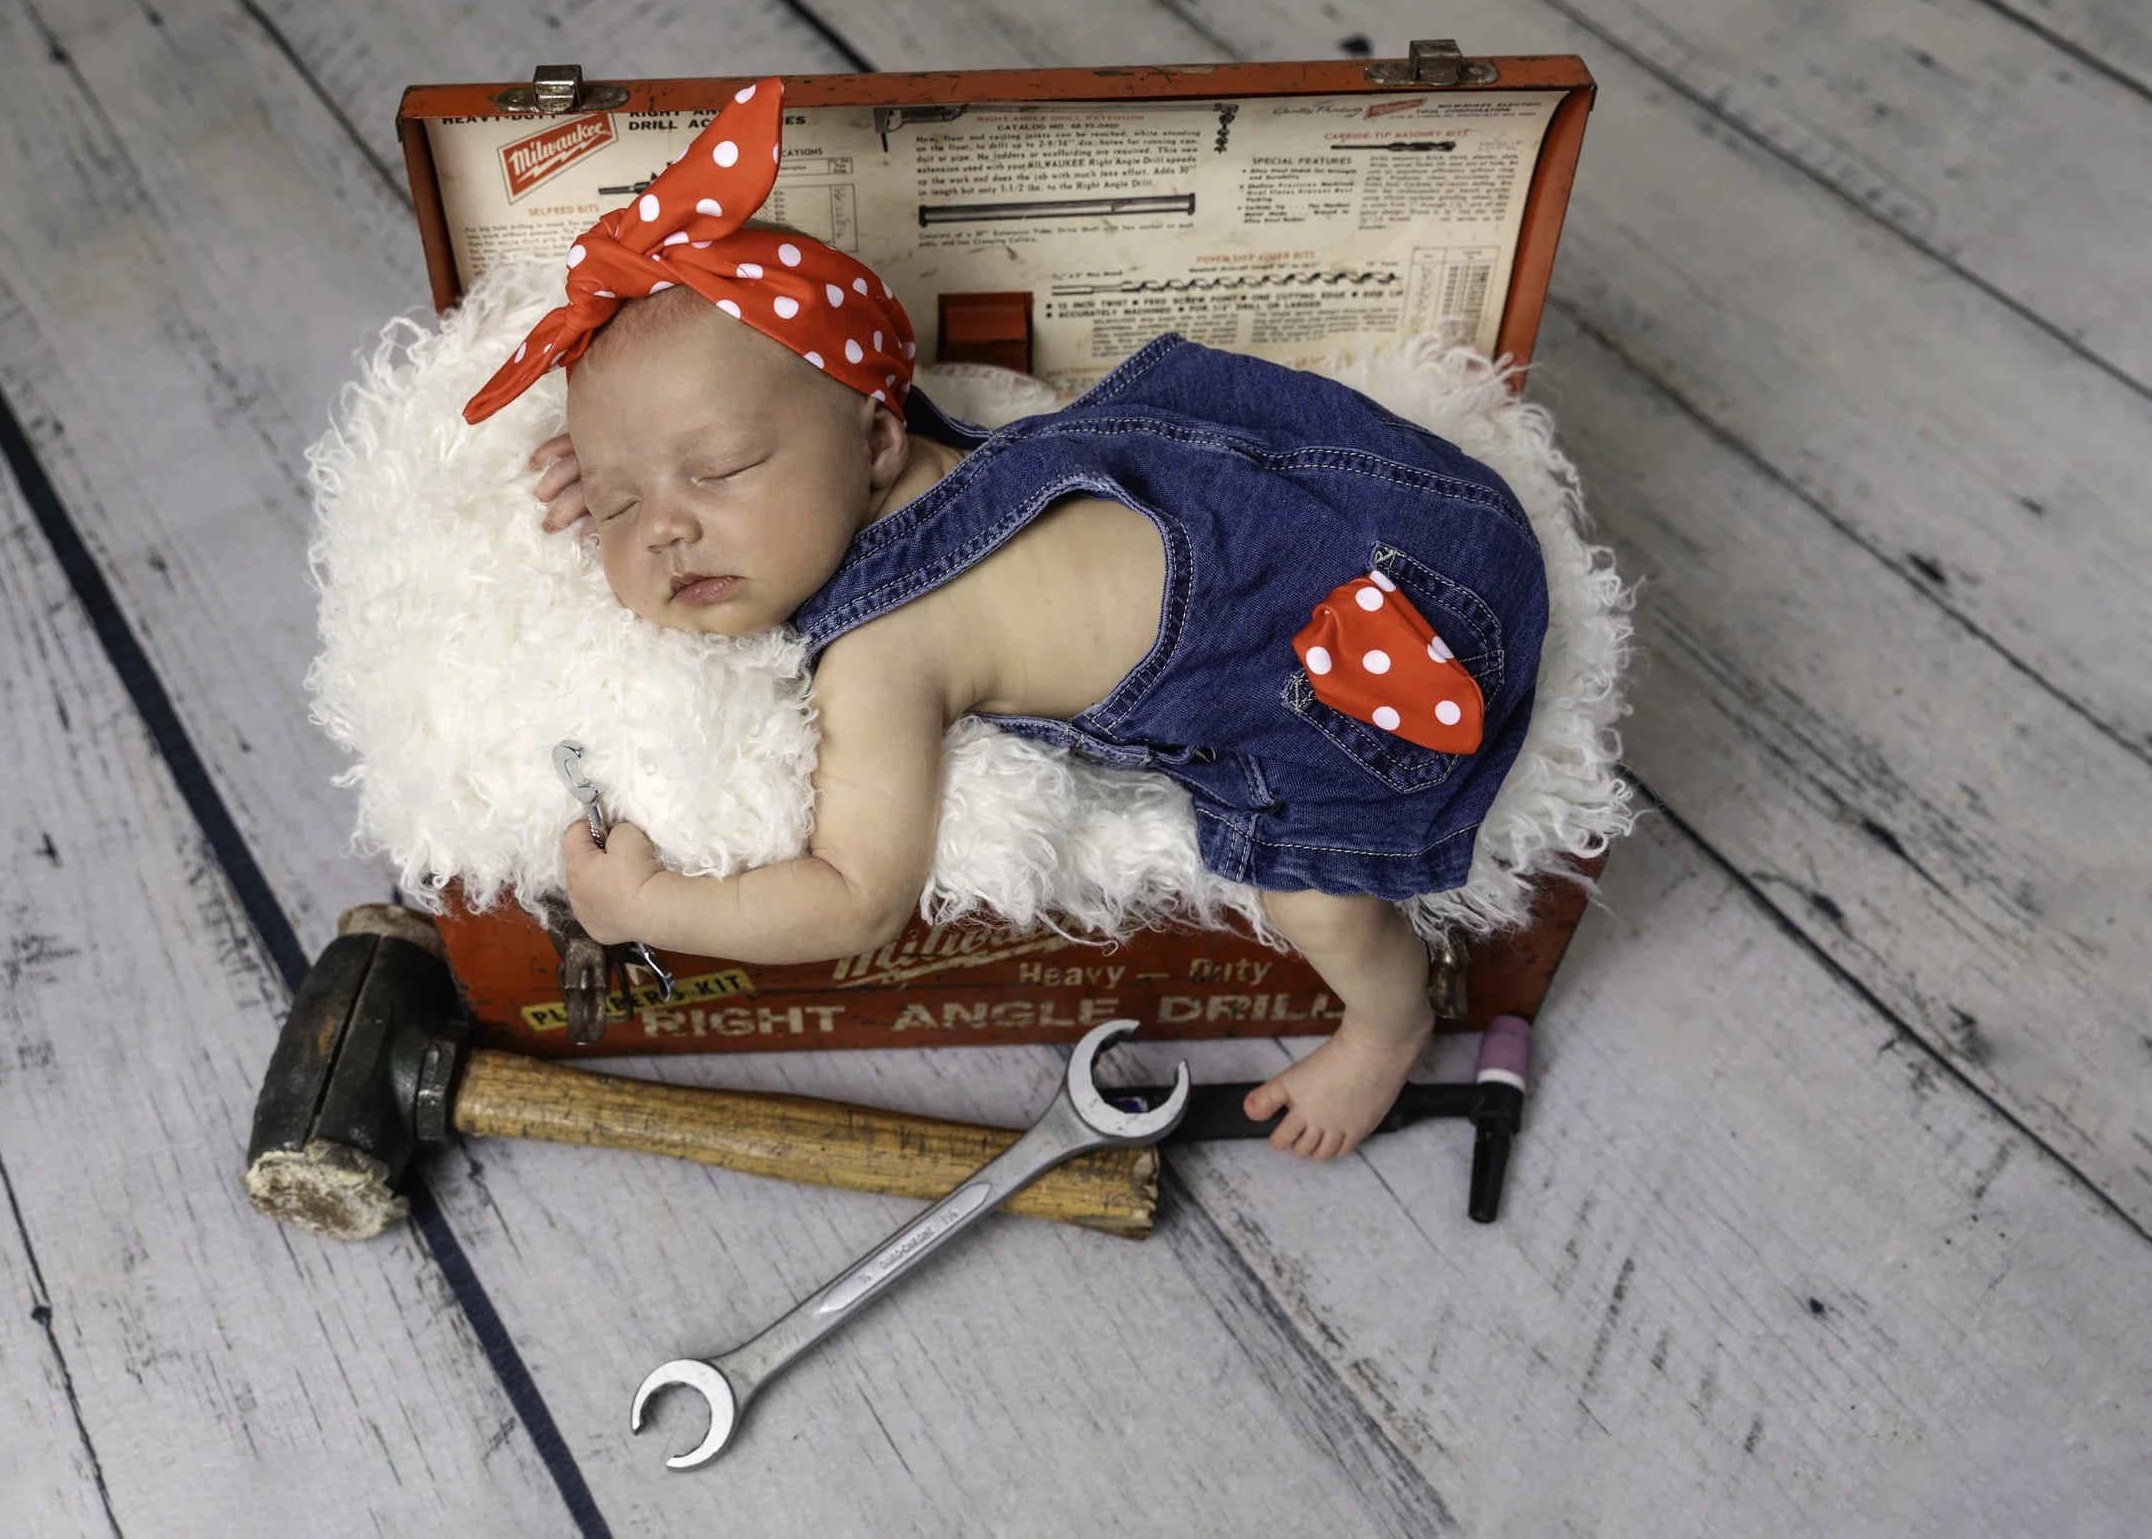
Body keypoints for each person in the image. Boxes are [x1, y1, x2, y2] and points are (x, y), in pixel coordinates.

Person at [468, 79, 1547, 1163]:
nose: (665, 531)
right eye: (616, 508)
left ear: (879, 442)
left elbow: (853, 903)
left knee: (1309, 898)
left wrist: (650, 906)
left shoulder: (889, 648)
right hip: (1398, 501)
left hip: (1390, 659)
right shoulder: (901, 450)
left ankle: (1387, 1025)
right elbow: (742, 436)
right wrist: (626, 461)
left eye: (721, 469)